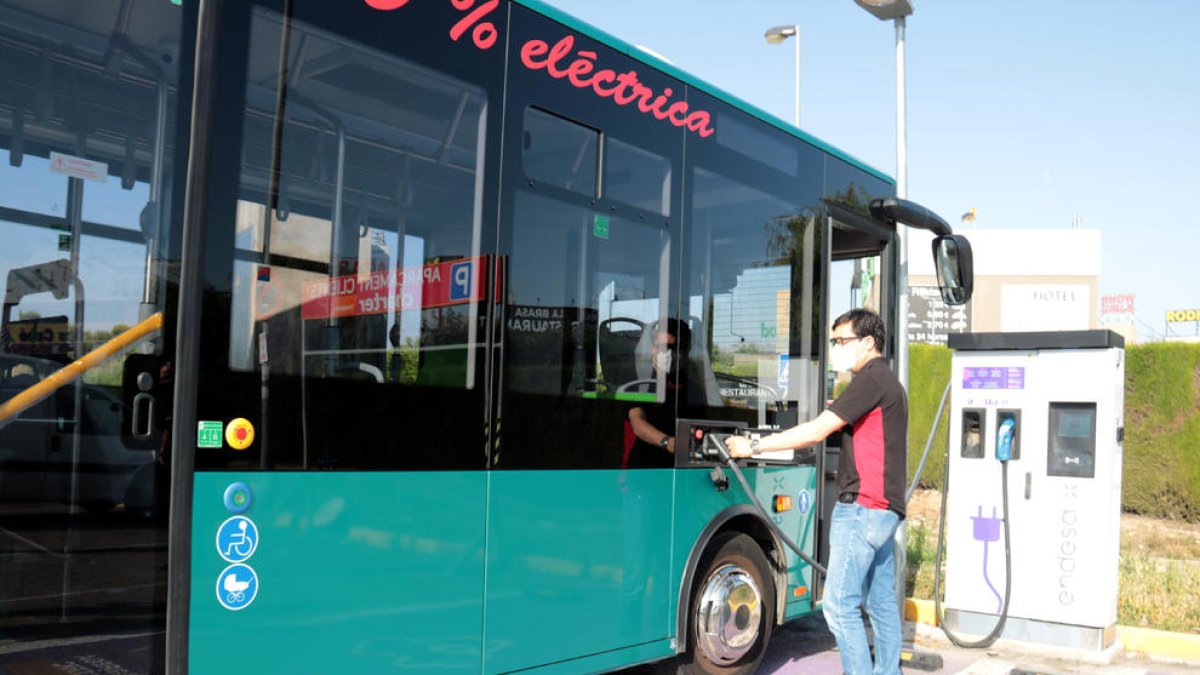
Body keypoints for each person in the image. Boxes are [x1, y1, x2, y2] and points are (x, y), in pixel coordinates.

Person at [725, 308, 907, 675]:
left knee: (838, 606)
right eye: (834, 341)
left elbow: (816, 431)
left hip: (862, 509)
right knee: (883, 604)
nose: (836, 348)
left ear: (868, 342)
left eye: (842, 341)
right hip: (884, 510)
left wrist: (753, 447)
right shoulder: (889, 383)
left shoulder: (870, 380)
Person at [625, 319, 703, 468]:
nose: (665, 353)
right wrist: (667, 442)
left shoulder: (694, 390)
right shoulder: (640, 383)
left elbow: (700, 432)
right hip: (642, 472)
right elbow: (637, 422)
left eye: (673, 348)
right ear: (651, 349)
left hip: (680, 471)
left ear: (685, 352)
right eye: (660, 347)